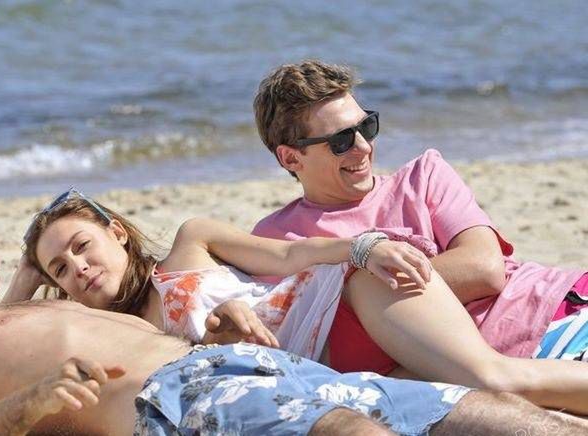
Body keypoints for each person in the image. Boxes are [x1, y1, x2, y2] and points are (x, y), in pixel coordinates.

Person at [0, 169, 587, 436]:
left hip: (252, 366)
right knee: (350, 432)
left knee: (487, 415)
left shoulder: (39, 310)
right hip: (178, 402)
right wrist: (27, 405)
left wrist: (219, 337)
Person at [11, 184, 588, 414]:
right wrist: (22, 279)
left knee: (498, 379)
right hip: (341, 371)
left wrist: (362, 247)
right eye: (59, 269)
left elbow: (290, 255)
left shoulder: (191, 242)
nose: (78, 268)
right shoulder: (113, 335)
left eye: (82, 247)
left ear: (116, 233)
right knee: (485, 404)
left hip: (350, 300)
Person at [250, 57, 588, 382]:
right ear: (291, 158)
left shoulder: (424, 176)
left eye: (367, 127)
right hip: (497, 370)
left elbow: (485, 269)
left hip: (552, 308)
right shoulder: (275, 240)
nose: (364, 147)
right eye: (341, 141)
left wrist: (364, 301)